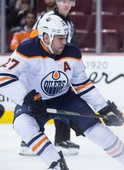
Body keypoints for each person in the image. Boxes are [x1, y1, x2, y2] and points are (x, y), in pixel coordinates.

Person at [0, 15, 124, 170]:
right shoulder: (27, 50)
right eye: (60, 38)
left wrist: (103, 107)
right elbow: (3, 76)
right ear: (46, 36)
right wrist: (26, 98)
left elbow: (82, 84)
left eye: (65, 37)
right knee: (22, 124)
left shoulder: (72, 53)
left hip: (65, 99)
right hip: (35, 100)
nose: (64, 42)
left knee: (98, 132)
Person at [20, 0, 78, 156]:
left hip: (57, 67)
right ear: (57, 2)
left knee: (63, 99)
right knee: (39, 99)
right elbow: (34, 40)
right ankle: (28, 139)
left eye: (69, 1)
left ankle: (61, 139)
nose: (65, 4)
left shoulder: (70, 24)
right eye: (62, 1)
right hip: (42, 66)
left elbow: (65, 48)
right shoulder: (47, 18)